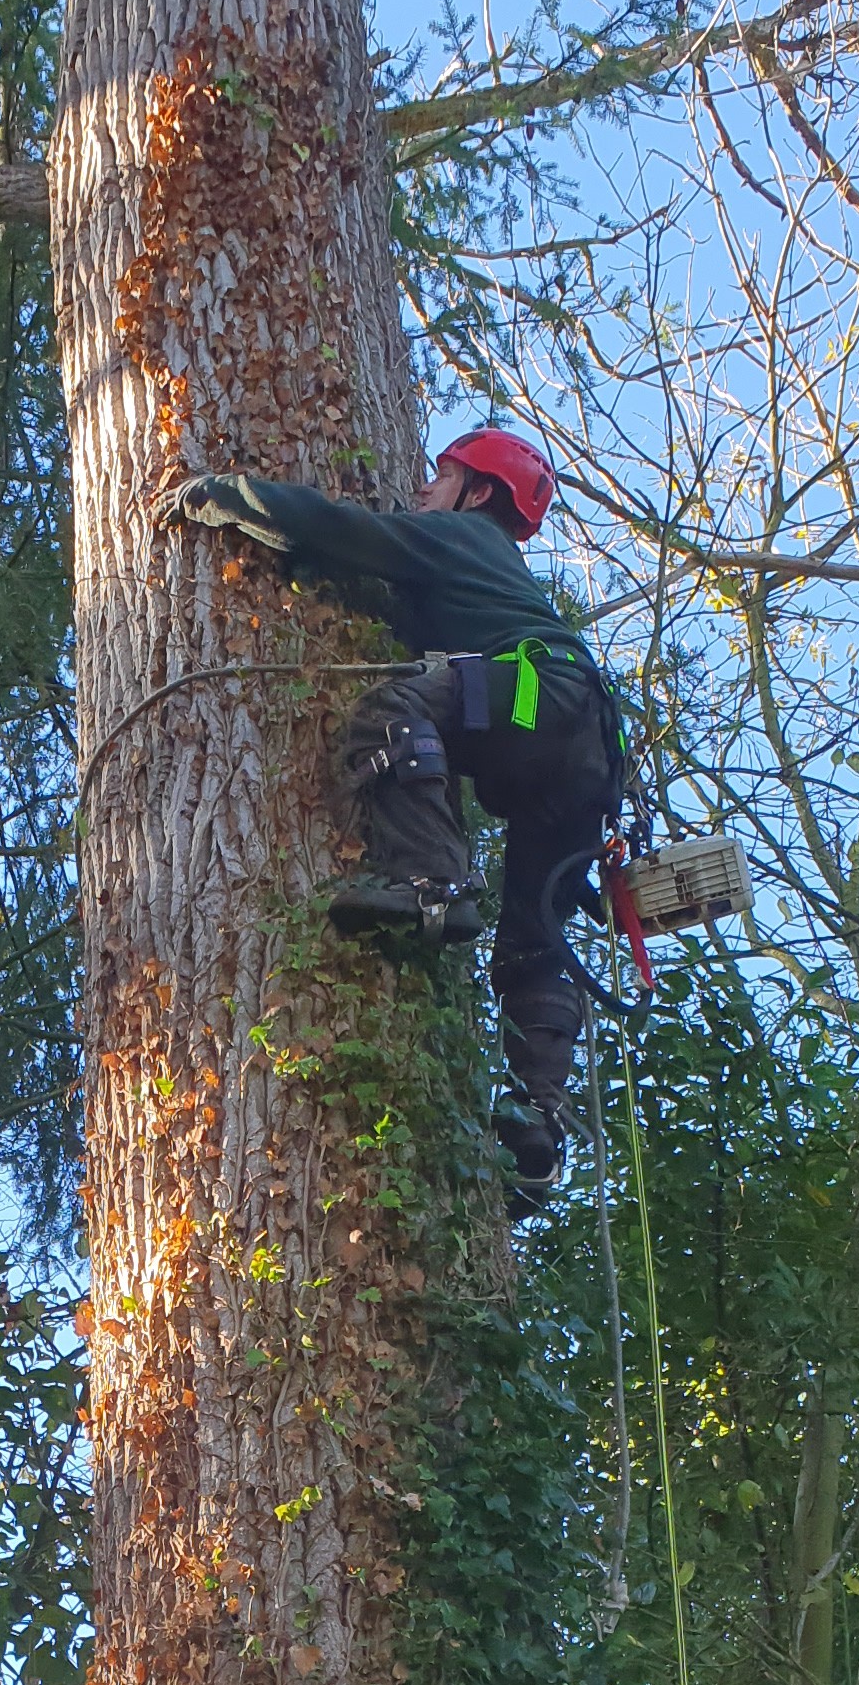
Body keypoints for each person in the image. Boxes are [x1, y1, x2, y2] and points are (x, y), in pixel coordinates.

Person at [173, 424, 618, 1201]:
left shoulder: (461, 537)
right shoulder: (489, 567)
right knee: (533, 942)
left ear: (477, 494)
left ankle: (427, 884)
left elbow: (354, 532)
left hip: (537, 691)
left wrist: (233, 497)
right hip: (587, 756)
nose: (422, 491)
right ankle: (537, 1128)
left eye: (440, 477)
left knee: (395, 707)